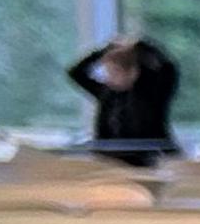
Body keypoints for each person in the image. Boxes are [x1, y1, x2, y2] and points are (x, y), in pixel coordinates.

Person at [66, 35, 180, 163]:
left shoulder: (153, 92)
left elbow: (168, 67)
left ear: (132, 71)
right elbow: (75, 73)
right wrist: (106, 49)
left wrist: (140, 46)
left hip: (149, 160)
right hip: (112, 160)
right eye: (108, 71)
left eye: (115, 71)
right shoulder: (107, 93)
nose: (109, 77)